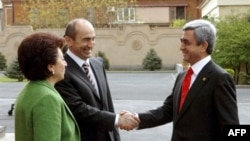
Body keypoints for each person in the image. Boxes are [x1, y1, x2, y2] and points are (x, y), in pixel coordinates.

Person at [127, 19, 239, 141]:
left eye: (186, 42)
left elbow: (232, 128)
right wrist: (136, 118)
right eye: (181, 41)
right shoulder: (182, 76)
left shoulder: (220, 78)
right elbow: (168, 111)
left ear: (203, 46)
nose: (181, 47)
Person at [55, 18, 139, 141]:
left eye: (93, 38)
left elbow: (107, 105)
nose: (91, 44)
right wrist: (117, 119)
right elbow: (78, 109)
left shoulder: (98, 64)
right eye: (86, 39)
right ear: (68, 41)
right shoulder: (61, 70)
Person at [15, 32, 81, 141]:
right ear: (50, 66)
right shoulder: (47, 98)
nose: (66, 64)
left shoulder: (29, 91)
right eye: (62, 59)